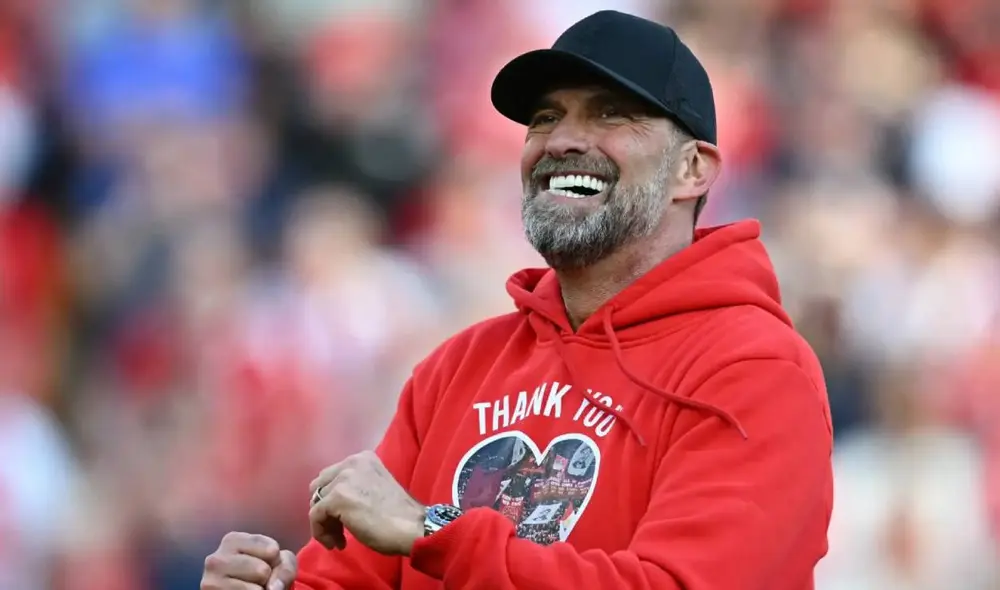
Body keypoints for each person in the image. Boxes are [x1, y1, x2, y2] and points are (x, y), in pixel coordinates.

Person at [200, 10, 834, 590]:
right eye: (545, 118)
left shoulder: (755, 369)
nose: (561, 140)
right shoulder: (457, 369)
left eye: (611, 113)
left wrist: (434, 529)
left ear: (692, 169)